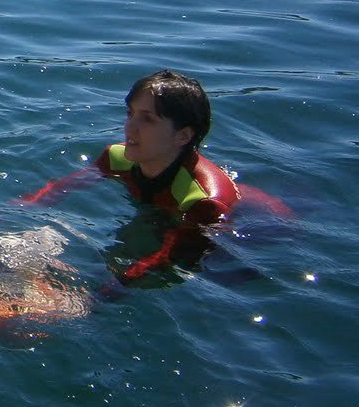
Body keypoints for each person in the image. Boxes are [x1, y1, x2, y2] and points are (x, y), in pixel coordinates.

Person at [21, 69, 239, 279]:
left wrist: (95, 295)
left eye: (148, 119)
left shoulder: (203, 202)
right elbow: (57, 190)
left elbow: (167, 259)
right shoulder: (115, 159)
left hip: (251, 230)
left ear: (182, 135)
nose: (129, 126)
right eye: (130, 113)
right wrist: (2, 217)